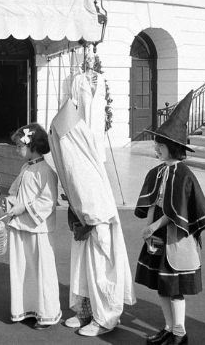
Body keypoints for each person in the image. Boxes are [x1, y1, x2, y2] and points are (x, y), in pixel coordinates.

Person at [135, 91, 205, 345]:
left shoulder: (183, 175)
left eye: (160, 144)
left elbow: (176, 210)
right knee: (161, 287)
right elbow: (153, 202)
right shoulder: (158, 172)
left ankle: (180, 334)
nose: (156, 147)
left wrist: (154, 226)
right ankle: (168, 328)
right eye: (156, 143)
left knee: (175, 288)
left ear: (173, 147)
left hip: (175, 237)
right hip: (157, 237)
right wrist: (148, 227)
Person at [48, 98, 135, 337]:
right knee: (82, 269)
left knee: (101, 272)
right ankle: (85, 310)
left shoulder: (82, 160)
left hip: (98, 223)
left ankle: (105, 318)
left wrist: (90, 219)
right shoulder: (73, 158)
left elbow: (93, 196)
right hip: (83, 222)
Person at [3, 123, 62, 329]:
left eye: (20, 145)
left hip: (38, 229)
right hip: (21, 226)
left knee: (41, 270)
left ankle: (47, 313)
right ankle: (27, 307)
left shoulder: (45, 170)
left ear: (33, 146)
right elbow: (17, 188)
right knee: (24, 269)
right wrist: (11, 200)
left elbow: (48, 200)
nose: (17, 149)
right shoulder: (26, 167)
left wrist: (23, 208)